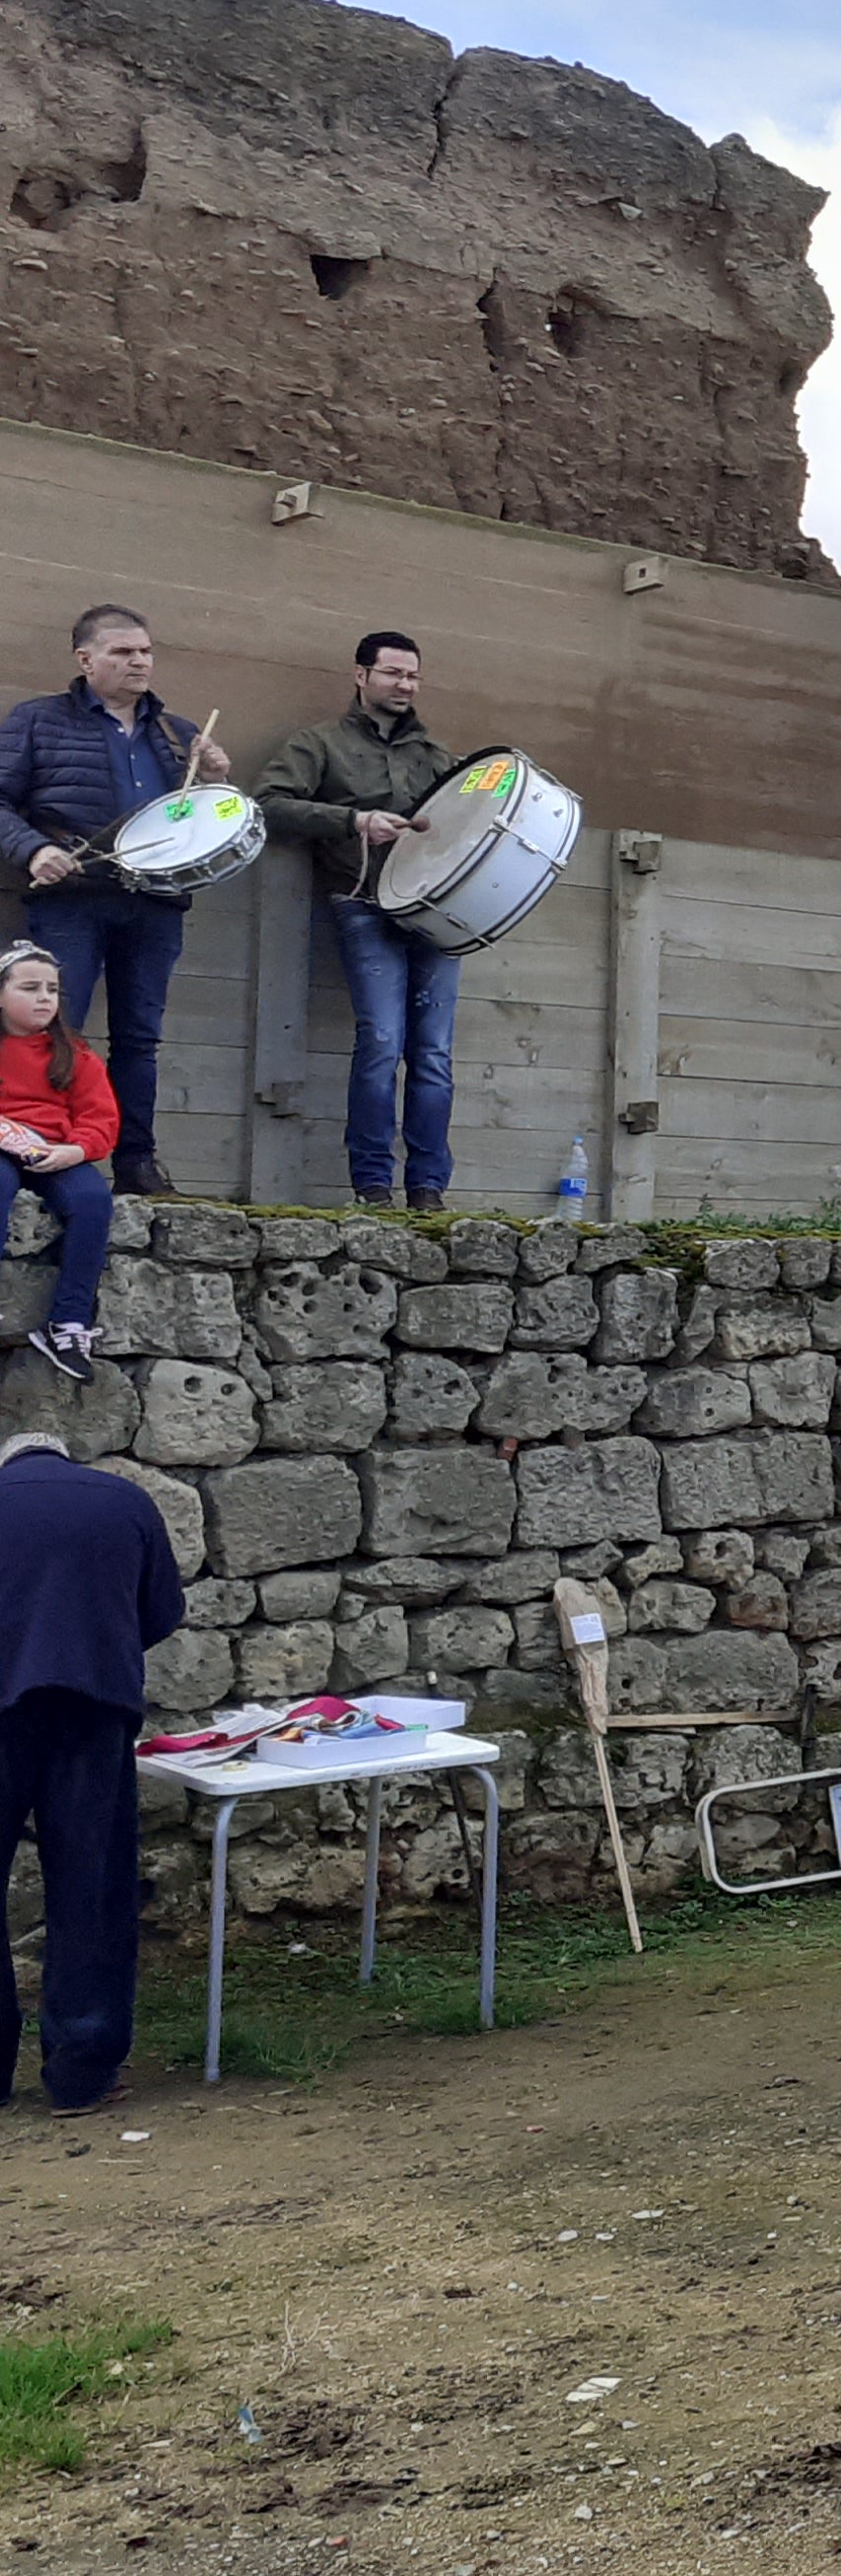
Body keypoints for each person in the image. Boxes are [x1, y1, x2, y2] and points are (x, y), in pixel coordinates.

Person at [0, 603, 234, 1195]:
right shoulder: (36, 721)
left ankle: (135, 1164)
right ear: (86, 659)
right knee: (54, 1030)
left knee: (139, 1039)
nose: (138, 662)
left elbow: (201, 823)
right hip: (71, 897)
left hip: (154, 903)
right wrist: (31, 850)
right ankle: (37, 1158)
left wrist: (216, 782)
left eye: (145, 651)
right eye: (122, 652)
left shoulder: (179, 732)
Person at [0, 1428, 187, 2115]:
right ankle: (81, 2072)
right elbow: (160, 1612)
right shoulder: (125, 1501)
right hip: (92, 1709)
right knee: (91, 1890)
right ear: (64, 1454)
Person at [255, 632, 464, 1210]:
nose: (405, 685)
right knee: (380, 1041)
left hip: (435, 913)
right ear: (361, 675)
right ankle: (372, 1186)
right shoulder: (319, 743)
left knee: (434, 1055)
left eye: (413, 676)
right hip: (362, 902)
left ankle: (428, 1190)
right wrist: (353, 821)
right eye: (394, 673)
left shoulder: (438, 757)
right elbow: (267, 804)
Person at [0, 943, 119, 1384]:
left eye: (51, 989)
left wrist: (76, 1150)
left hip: (56, 1150)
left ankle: (68, 1324)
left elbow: (100, 1117)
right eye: (29, 988)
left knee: (91, 1200)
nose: (44, 998)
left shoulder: (74, 1054)